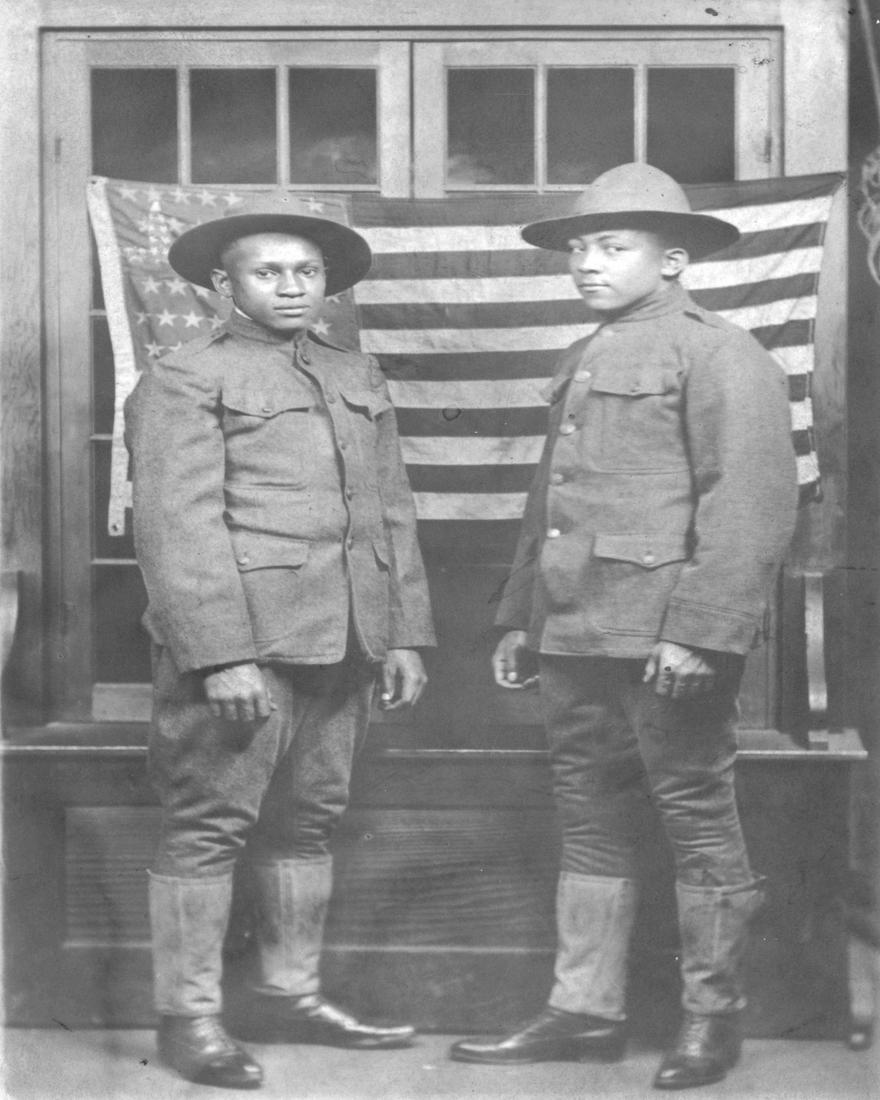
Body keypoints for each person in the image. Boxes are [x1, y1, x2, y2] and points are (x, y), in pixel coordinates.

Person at [449, 163, 798, 1090]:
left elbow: (752, 505)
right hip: (573, 633)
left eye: (613, 247)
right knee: (591, 820)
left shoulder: (721, 353)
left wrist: (701, 633)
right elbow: (550, 508)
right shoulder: (585, 355)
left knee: (695, 816)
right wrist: (522, 617)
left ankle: (712, 1021)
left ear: (674, 259)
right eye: (579, 249)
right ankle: (585, 1011)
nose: (587, 265)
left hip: (664, 639)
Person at [125, 192, 435, 1089]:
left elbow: (389, 514)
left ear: (328, 285)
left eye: (306, 272)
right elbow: (176, 532)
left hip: (346, 643)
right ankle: (188, 1018)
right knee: (208, 826)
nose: (291, 286)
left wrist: (403, 634)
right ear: (225, 285)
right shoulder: (186, 378)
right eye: (268, 271)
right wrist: (220, 655)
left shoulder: (352, 373)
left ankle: (288, 994)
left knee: (308, 823)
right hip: (243, 653)